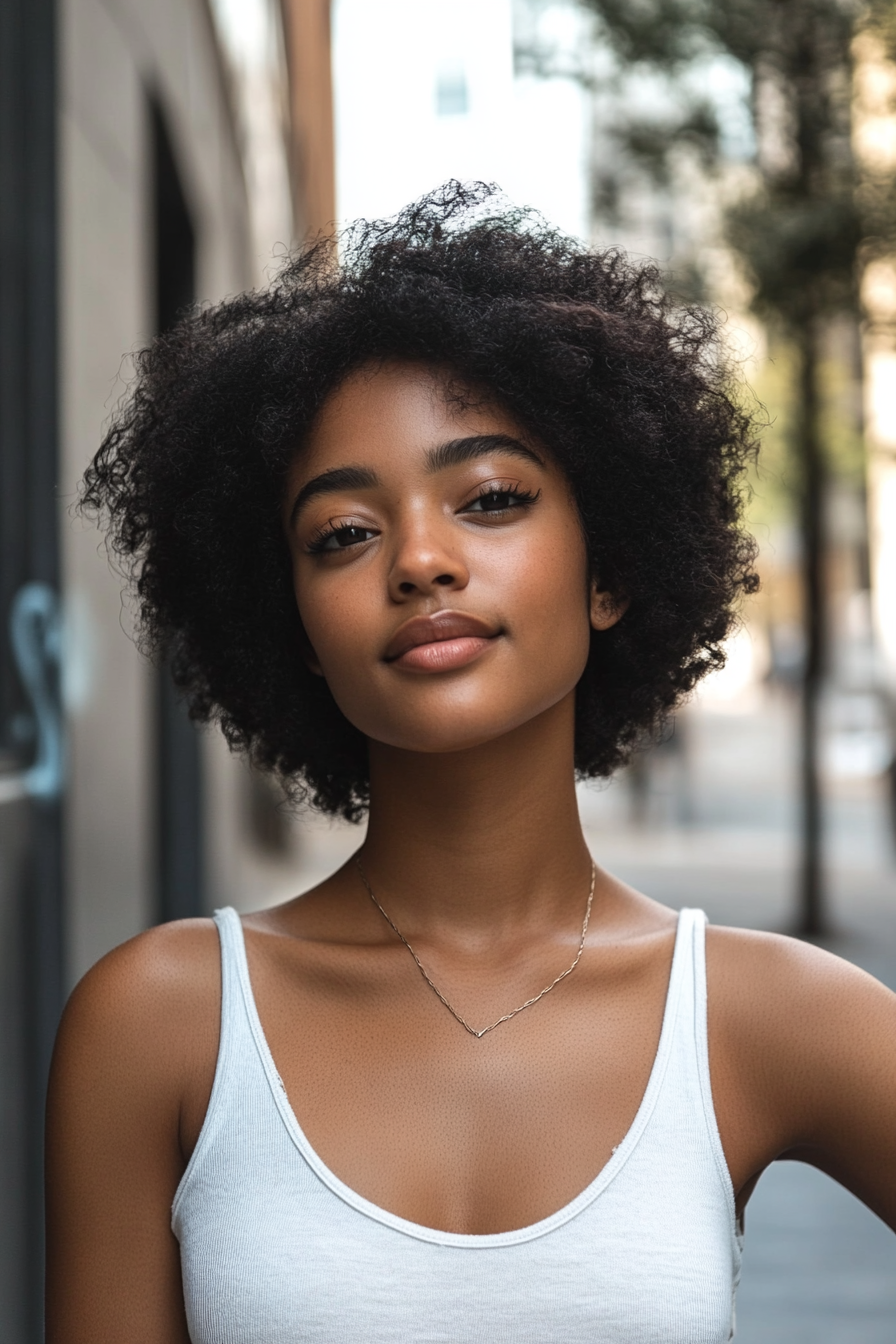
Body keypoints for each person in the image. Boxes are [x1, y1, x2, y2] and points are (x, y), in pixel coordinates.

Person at [48, 184, 895, 1343]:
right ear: (288, 621)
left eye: (491, 498)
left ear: (608, 573)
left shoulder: (767, 1016)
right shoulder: (159, 1025)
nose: (421, 560)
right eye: (344, 533)